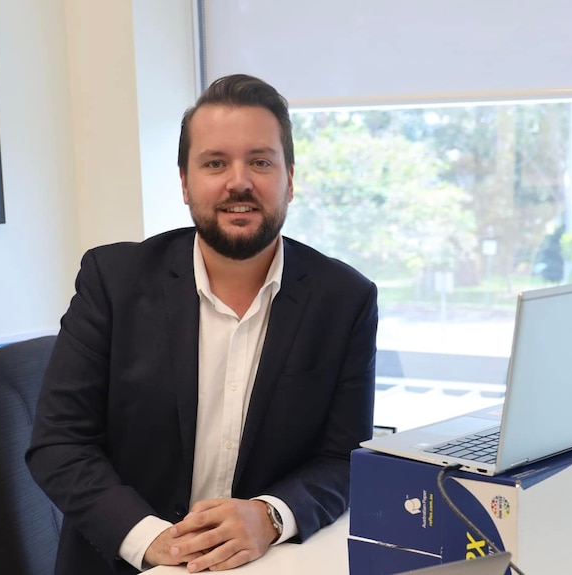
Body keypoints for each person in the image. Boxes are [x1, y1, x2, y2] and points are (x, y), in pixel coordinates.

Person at [26, 74, 378, 575]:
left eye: (261, 161)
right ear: (186, 184)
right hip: (130, 562)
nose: (239, 181)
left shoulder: (345, 299)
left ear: (290, 180)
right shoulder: (114, 280)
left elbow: (344, 459)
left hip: (266, 563)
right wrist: (157, 542)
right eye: (215, 163)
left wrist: (271, 517)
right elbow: (60, 444)